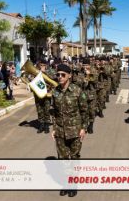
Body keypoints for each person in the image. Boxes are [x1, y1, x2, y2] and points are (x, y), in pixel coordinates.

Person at [51, 64, 88, 197]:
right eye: (58, 75)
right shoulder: (55, 92)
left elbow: (85, 111)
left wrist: (83, 128)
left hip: (75, 131)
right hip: (60, 131)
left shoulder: (77, 91)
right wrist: (54, 129)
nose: (59, 77)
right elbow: (53, 112)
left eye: (62, 75)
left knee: (74, 157)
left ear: (69, 76)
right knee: (63, 158)